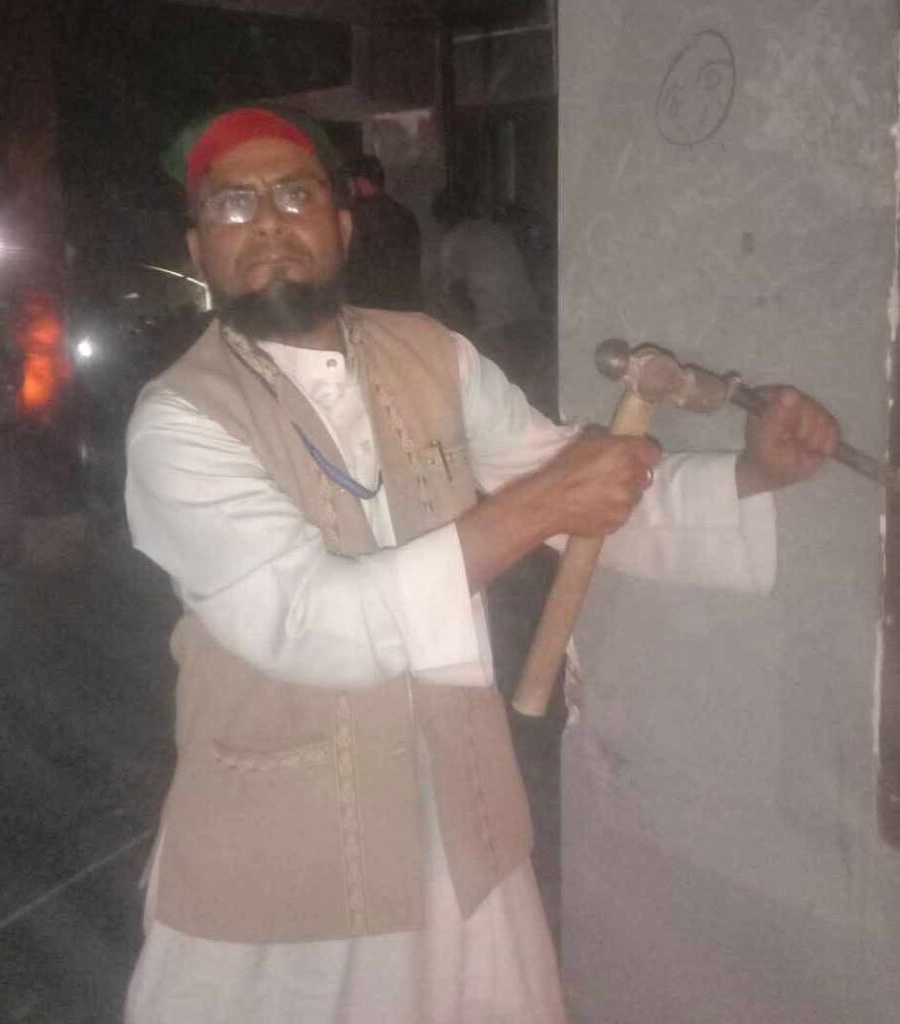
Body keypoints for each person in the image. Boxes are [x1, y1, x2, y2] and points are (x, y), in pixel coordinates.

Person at [123, 106, 839, 1024]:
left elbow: (579, 486)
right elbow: (310, 622)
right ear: (198, 247)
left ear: (341, 225)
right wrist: (541, 506)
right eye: (233, 205)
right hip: (284, 866)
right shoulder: (179, 421)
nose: (267, 223)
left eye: (294, 195)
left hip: (456, 831)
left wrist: (753, 472)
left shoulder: (432, 354)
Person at [431, 185, 553, 412]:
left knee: (500, 395)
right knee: (527, 392)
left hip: (494, 325)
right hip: (528, 316)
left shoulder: (454, 240)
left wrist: (464, 332)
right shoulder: (495, 230)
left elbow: (456, 294)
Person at [343, 153, 422, 310]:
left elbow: (355, 265)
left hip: (368, 305)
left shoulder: (357, 216)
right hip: (403, 301)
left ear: (361, 182)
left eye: (351, 183)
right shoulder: (404, 214)